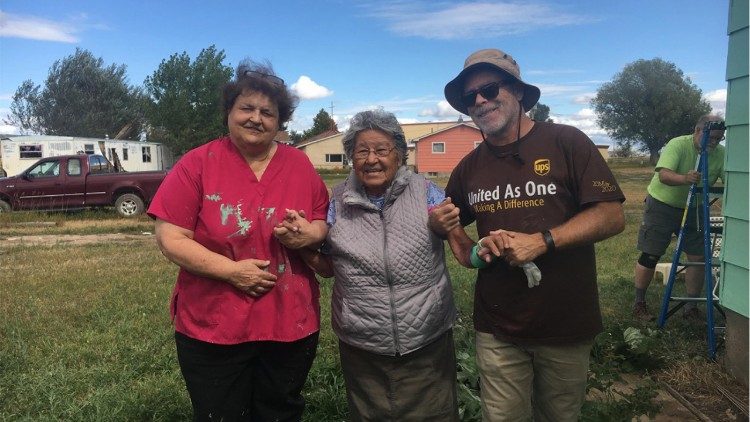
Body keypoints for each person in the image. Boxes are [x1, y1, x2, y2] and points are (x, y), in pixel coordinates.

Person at [432, 48, 626, 421]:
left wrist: (542, 241)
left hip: (565, 322)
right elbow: (450, 226)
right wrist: (460, 239)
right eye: (470, 97)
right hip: (497, 327)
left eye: (489, 89)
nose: (480, 101)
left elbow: (612, 215)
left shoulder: (567, 142)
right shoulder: (469, 167)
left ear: (518, 92)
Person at [147, 60, 329, 421]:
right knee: (219, 413)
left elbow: (323, 221)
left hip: (288, 320)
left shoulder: (299, 165)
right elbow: (170, 237)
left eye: (268, 112)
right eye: (246, 108)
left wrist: (308, 233)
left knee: (280, 411)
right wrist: (232, 271)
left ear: (279, 122)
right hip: (213, 324)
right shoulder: (197, 164)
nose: (256, 118)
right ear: (229, 111)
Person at [294, 109, 460, 421]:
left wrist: (443, 224)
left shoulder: (427, 192)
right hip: (363, 343)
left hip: (425, 339)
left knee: (435, 413)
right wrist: (301, 246)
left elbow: (457, 239)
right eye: (362, 151)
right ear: (351, 158)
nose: (372, 159)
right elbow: (329, 265)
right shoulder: (337, 202)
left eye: (382, 150)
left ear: (398, 155)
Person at [632, 115, 726, 321]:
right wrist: (685, 178)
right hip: (662, 205)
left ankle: (690, 307)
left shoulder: (720, 154)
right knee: (651, 255)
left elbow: (729, 182)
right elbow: (664, 175)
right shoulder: (677, 145)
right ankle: (639, 303)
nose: (714, 143)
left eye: (719, 139)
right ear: (698, 131)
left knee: (698, 257)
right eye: (711, 137)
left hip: (695, 208)